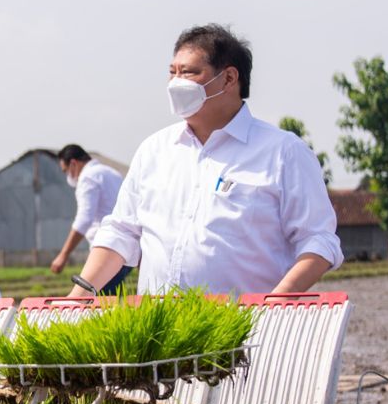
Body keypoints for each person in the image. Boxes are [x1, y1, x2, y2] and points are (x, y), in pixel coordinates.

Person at [69, 24, 343, 298]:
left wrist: (272, 304)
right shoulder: (154, 151)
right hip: (158, 328)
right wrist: (77, 297)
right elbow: (121, 232)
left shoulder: (283, 152)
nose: (176, 82)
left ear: (228, 79)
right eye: (172, 72)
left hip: (247, 330)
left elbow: (318, 240)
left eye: (188, 72)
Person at [50, 145, 130, 294]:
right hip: (124, 251)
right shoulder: (112, 173)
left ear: (73, 163)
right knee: (111, 302)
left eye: (65, 171)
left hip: (106, 250)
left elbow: (84, 219)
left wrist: (63, 255)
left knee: (96, 302)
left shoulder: (88, 177)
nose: (68, 176)